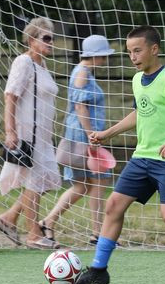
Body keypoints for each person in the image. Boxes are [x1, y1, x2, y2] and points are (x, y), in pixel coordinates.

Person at [73, 25, 165, 284]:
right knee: (113, 205)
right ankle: (98, 270)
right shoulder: (137, 80)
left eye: (137, 50)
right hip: (142, 157)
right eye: (129, 52)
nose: (133, 56)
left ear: (154, 49)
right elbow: (139, 112)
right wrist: (108, 133)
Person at [39, 34, 115, 246]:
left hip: (80, 135)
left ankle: (48, 222)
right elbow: (81, 107)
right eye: (103, 55)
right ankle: (98, 234)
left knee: (82, 186)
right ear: (95, 56)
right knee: (100, 181)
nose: (105, 60)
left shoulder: (83, 72)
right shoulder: (82, 74)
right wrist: (92, 135)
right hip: (82, 136)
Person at [0, 17, 62, 250]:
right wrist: (10, 131)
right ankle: (33, 234)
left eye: (52, 38)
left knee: (40, 182)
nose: (50, 43)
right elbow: (10, 96)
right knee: (34, 182)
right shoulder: (23, 62)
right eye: (46, 38)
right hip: (27, 134)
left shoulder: (42, 65)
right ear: (31, 39)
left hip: (43, 136)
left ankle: (9, 218)